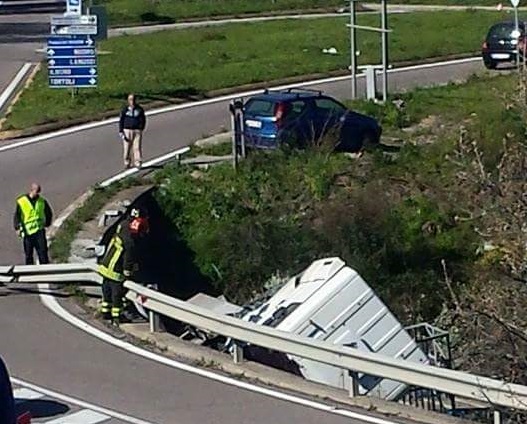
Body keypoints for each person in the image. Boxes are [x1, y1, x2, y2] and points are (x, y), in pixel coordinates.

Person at [99, 208, 147, 325]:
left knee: (107, 293)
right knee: (117, 295)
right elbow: (128, 258)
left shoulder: (122, 225)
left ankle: (105, 313)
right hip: (116, 270)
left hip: (105, 266)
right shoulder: (130, 241)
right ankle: (117, 317)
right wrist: (128, 272)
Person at [13, 183, 53, 265]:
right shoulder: (22, 201)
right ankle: (29, 272)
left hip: (39, 230)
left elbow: (48, 213)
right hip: (27, 232)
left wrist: (47, 223)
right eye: (36, 191)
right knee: (28, 254)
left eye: (38, 192)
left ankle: (45, 271)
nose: (37, 193)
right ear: (31, 190)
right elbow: (17, 215)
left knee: (43, 252)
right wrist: (17, 227)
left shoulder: (42, 201)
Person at [118, 93, 146, 169]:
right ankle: (127, 162)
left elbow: (143, 119)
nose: (132, 101)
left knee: (137, 147)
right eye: (130, 100)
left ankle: (138, 162)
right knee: (127, 148)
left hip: (137, 131)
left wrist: (141, 128)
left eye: (133, 99)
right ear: (128, 101)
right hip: (127, 130)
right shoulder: (125, 110)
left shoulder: (139, 109)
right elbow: (121, 120)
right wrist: (121, 131)